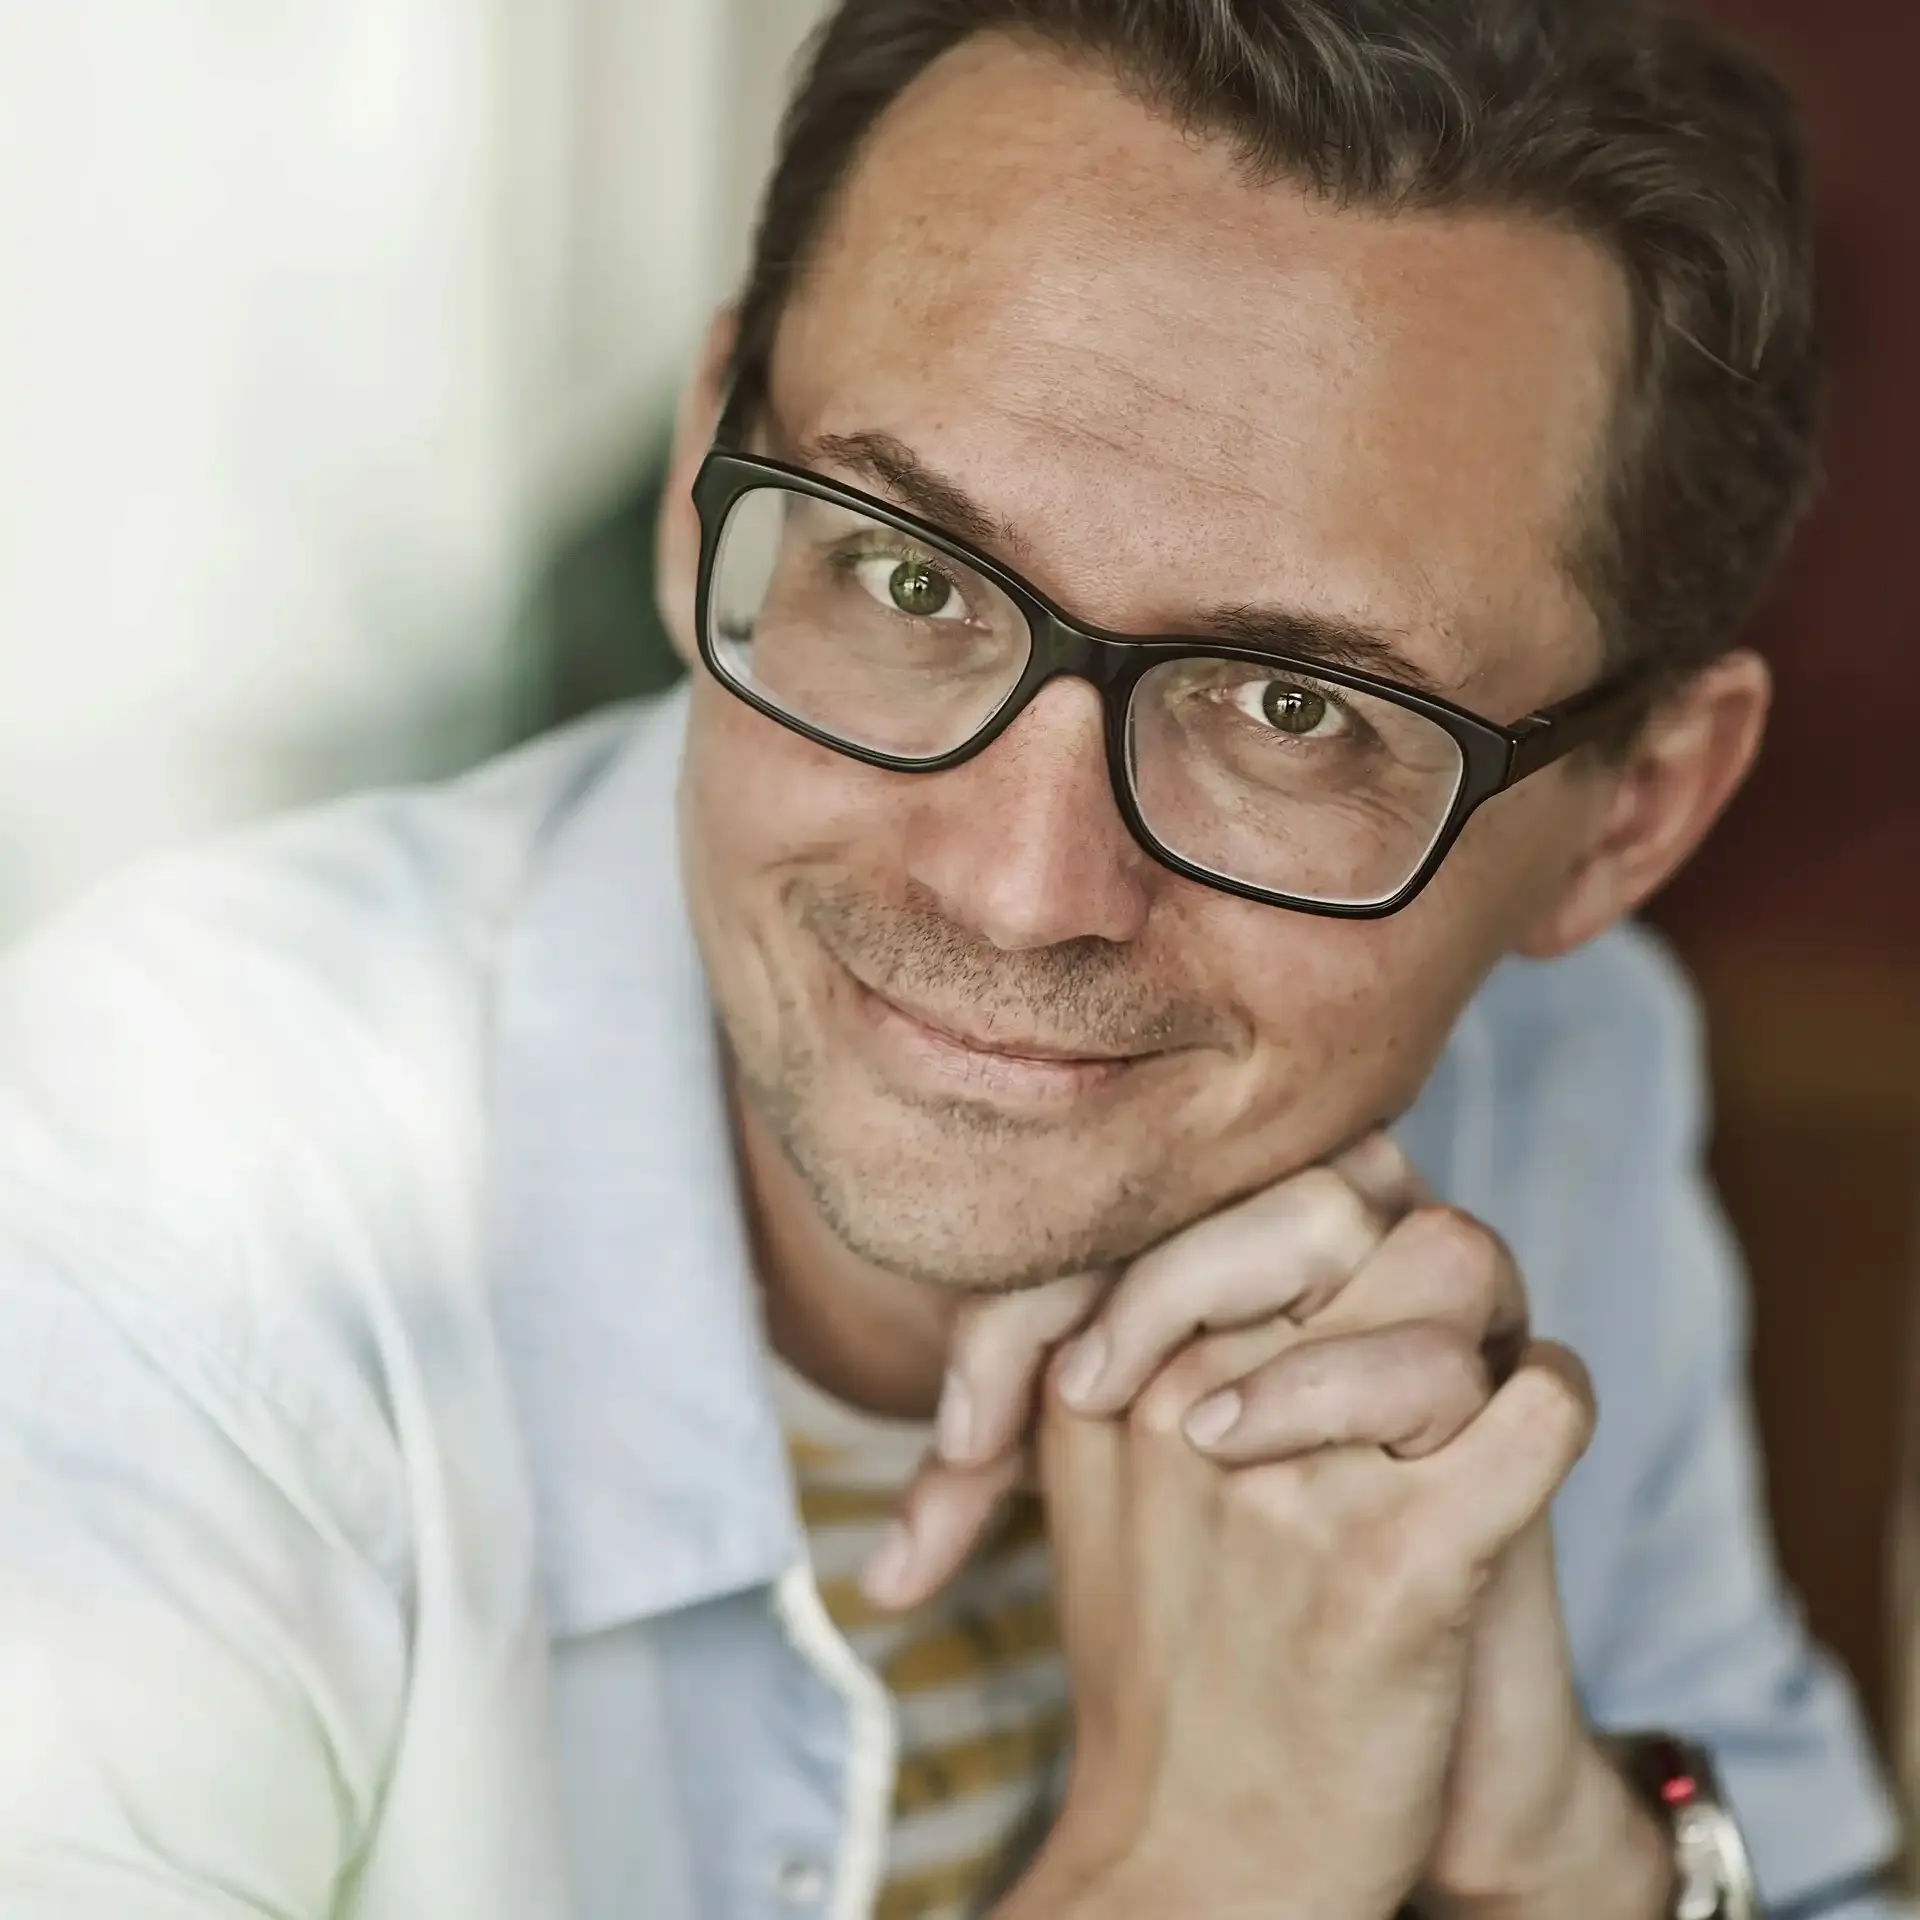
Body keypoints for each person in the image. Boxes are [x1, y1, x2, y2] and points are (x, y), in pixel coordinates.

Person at [0, 0, 1904, 1915]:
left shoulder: (1562, 1075)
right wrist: (1207, 1861)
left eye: (1293, 709)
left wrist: (1566, 1855)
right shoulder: (156, 1231)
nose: (1016, 885)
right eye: (911, 579)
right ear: (698, 484)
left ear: (1631, 816)